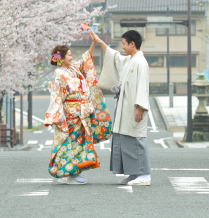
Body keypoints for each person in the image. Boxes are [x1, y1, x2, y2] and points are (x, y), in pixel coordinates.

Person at [43, 36, 112, 184]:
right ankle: (69, 174)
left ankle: (72, 172)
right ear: (61, 58)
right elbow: (57, 97)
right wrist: (56, 116)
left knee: (79, 144)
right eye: (69, 55)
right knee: (70, 144)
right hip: (71, 115)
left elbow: (85, 59)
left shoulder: (73, 69)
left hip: (81, 114)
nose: (71, 57)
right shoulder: (59, 75)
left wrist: (94, 43)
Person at [90, 29, 152, 187]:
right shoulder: (131, 60)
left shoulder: (140, 62)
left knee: (136, 139)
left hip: (134, 107)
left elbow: (143, 86)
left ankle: (144, 174)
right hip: (125, 106)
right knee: (125, 139)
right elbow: (115, 57)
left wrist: (140, 107)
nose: (122, 47)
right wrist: (100, 42)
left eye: (124, 44)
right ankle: (134, 173)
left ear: (132, 44)